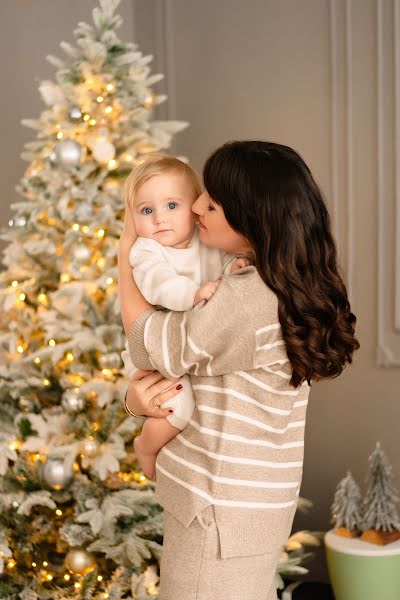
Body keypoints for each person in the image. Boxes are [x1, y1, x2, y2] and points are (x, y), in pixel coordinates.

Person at [118, 141, 360, 600]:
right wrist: (137, 402)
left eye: (211, 201)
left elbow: (153, 347)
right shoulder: (273, 279)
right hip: (246, 505)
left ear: (249, 217)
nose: (196, 207)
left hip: (217, 510)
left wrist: (126, 252)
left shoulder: (250, 298)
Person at [120, 153, 248, 479]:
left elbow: (224, 268)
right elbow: (158, 284)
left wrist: (233, 269)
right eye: (147, 211)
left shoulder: (208, 243)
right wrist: (193, 294)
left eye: (172, 206)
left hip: (183, 346)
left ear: (194, 209)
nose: (160, 219)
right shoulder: (146, 250)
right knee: (179, 408)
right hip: (153, 354)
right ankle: (146, 447)